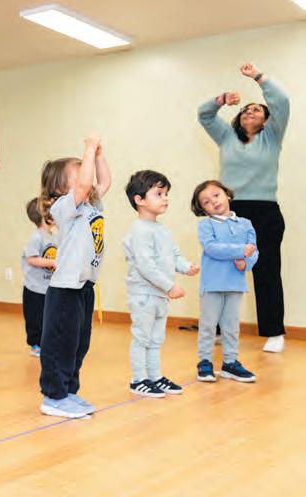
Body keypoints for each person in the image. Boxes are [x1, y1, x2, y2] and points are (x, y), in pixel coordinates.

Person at [198, 62, 289, 353]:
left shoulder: (272, 137)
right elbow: (204, 114)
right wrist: (222, 99)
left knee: (266, 272)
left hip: (265, 212)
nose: (250, 111)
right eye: (246, 109)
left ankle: (274, 333)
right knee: (223, 269)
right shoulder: (226, 137)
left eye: (257, 110)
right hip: (230, 213)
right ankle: (219, 329)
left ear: (267, 120)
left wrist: (258, 77)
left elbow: (282, 100)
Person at [38, 136, 110, 419]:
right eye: (81, 172)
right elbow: (83, 186)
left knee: (79, 343)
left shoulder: (91, 206)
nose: (87, 177)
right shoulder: (64, 208)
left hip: (84, 286)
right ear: (60, 187)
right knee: (60, 344)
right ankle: (53, 396)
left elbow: (105, 181)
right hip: (65, 288)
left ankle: (68, 391)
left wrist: (99, 155)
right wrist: (88, 149)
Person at [122, 170, 199, 398]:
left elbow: (173, 256)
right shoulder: (139, 230)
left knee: (156, 340)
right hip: (144, 295)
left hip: (159, 296)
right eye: (158, 194)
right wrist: (169, 286)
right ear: (139, 199)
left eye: (166, 194)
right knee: (142, 338)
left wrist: (186, 267)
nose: (165, 198)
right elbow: (145, 265)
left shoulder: (162, 229)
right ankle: (138, 380)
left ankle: (155, 377)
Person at [191, 180, 258, 383]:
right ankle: (204, 362)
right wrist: (239, 251)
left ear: (227, 195)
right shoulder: (206, 225)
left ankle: (230, 363)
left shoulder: (246, 224)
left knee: (231, 327)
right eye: (206, 202)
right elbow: (212, 248)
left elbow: (253, 251)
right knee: (208, 326)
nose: (213, 201)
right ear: (203, 209)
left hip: (235, 285)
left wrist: (245, 263)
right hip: (212, 285)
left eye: (216, 195)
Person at [20, 197, 56, 357]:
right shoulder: (37, 237)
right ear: (43, 215)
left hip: (48, 287)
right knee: (35, 318)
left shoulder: (53, 236)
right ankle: (36, 345)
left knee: (48, 317)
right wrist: (53, 262)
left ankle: (47, 342)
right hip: (34, 288)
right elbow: (32, 259)